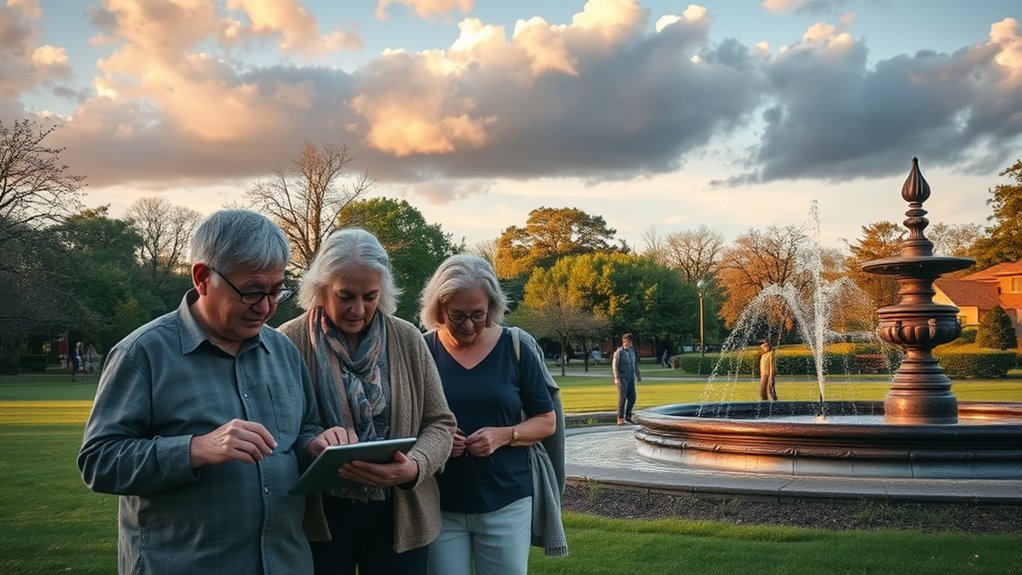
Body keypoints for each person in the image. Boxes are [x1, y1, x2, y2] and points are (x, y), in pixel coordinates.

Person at [78, 209, 342, 575]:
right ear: (202, 277)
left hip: (285, 562)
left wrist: (316, 446)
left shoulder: (283, 351)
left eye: (275, 290)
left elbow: (304, 430)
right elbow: (99, 462)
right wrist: (197, 448)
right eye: (251, 291)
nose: (265, 307)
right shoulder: (143, 353)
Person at [278, 228, 456, 575]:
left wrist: (415, 466)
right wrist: (310, 444)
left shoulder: (407, 338)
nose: (358, 309)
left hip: (399, 513)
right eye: (345, 296)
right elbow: (276, 430)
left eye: (370, 296)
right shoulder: (288, 341)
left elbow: (441, 422)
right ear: (320, 288)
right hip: (318, 518)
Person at [420, 254, 558, 575]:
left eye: (477, 315)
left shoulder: (515, 345)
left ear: (492, 307)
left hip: (506, 501)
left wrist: (503, 435)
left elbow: (546, 421)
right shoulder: (421, 348)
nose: (468, 325)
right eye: (457, 316)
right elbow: (403, 421)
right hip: (440, 503)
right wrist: (437, 442)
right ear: (439, 309)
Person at [612, 333, 641, 425]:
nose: (628, 343)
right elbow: (614, 366)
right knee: (622, 398)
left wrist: (638, 374)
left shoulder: (633, 351)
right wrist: (616, 377)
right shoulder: (619, 352)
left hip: (631, 378)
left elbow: (635, 364)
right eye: (626, 341)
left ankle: (628, 416)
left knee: (632, 397)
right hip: (622, 378)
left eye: (630, 341)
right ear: (623, 341)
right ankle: (620, 418)